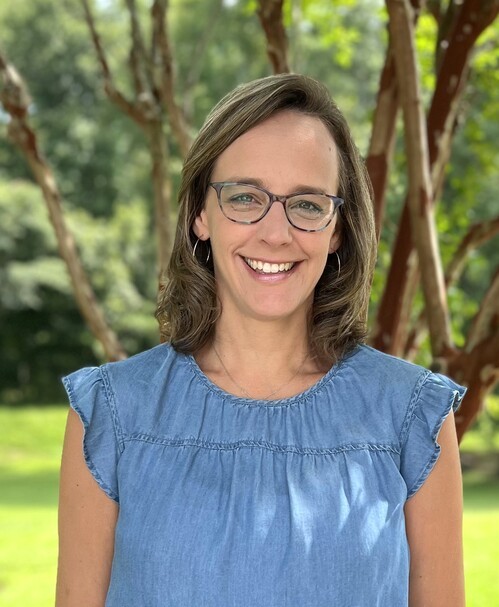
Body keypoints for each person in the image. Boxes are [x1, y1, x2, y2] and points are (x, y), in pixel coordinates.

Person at [56, 74, 466, 607]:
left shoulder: (414, 418)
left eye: (308, 204)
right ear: (200, 215)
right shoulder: (110, 417)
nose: (275, 234)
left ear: (338, 229)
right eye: (245, 197)